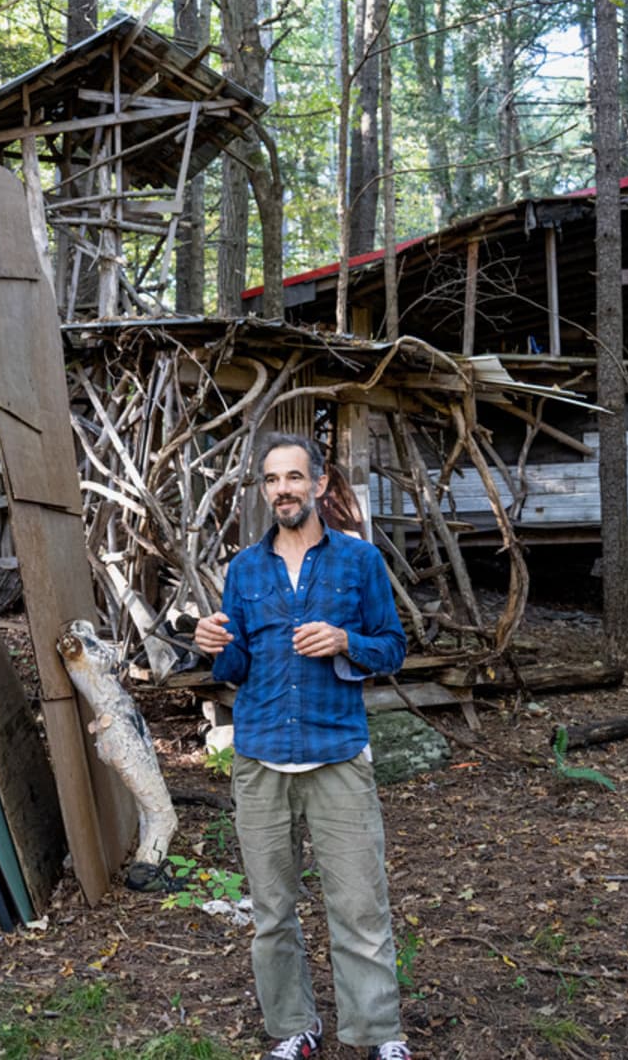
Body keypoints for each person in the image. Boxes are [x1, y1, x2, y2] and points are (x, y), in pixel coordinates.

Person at [194, 433, 412, 1060]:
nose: (282, 490)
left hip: (337, 753)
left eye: (294, 477)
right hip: (261, 756)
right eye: (271, 480)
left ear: (319, 484)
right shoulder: (245, 569)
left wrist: (347, 640)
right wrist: (213, 644)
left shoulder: (359, 561)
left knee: (360, 908)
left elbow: (392, 647)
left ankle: (376, 1034)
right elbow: (235, 666)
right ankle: (294, 1030)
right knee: (271, 912)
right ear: (264, 490)